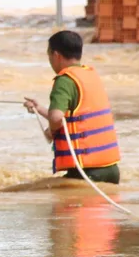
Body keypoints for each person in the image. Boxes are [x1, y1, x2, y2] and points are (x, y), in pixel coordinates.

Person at [23, 30, 122, 184]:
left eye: (49, 55)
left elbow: (56, 118)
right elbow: (76, 116)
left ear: (56, 55)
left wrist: (51, 131)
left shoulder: (64, 80)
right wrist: (40, 109)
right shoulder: (89, 75)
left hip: (86, 172)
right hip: (111, 170)